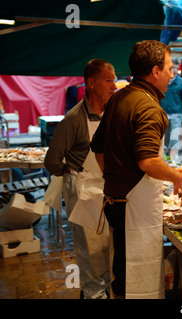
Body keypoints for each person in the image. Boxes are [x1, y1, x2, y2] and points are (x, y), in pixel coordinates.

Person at [90, 40, 182, 298]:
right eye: (169, 68)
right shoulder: (148, 106)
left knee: (122, 270)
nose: (172, 74)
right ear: (155, 71)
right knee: (135, 276)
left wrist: (112, 177)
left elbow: (97, 147)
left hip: (114, 201)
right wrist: (178, 177)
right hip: (133, 208)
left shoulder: (119, 97)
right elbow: (147, 161)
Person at [44, 59, 116, 299]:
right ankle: (92, 293)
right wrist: (68, 170)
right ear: (91, 83)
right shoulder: (73, 119)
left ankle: (106, 288)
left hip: (107, 189)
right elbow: (52, 162)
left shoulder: (111, 113)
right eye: (108, 80)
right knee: (89, 248)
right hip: (82, 192)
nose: (113, 86)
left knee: (108, 246)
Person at [160, 57, 182, 161]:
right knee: (165, 139)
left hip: (177, 114)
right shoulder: (162, 81)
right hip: (163, 114)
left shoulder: (181, 82)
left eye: (177, 68)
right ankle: (168, 159)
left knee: (174, 138)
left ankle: (173, 160)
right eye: (173, 68)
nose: (175, 70)